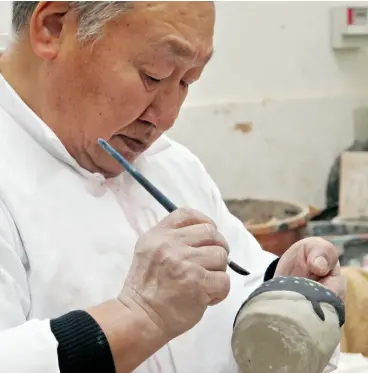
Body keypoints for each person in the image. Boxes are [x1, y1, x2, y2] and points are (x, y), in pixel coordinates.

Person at [0, 2, 345, 373]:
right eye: (153, 75)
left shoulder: (171, 165)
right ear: (52, 27)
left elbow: (236, 295)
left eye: (186, 82)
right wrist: (137, 318)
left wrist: (278, 293)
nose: (165, 118)